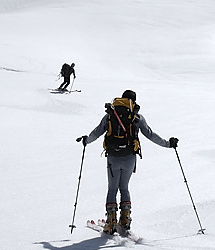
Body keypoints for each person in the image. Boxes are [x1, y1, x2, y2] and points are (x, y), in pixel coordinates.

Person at [76, 89, 178, 236]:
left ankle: (110, 222)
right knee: (124, 187)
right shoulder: (137, 117)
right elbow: (150, 134)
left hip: (113, 157)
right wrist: (168, 144)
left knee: (112, 189)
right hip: (130, 157)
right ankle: (125, 220)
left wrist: (87, 140)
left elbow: (97, 132)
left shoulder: (111, 115)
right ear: (133, 102)